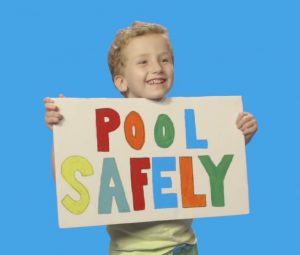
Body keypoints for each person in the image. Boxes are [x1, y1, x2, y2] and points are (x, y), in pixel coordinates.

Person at [44, 21, 258, 255]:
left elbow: (206, 165)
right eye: (143, 61)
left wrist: (238, 135)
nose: (157, 67)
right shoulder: (104, 129)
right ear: (121, 81)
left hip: (185, 247)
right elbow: (67, 182)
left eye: (165, 59)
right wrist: (63, 132)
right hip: (131, 252)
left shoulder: (189, 121)